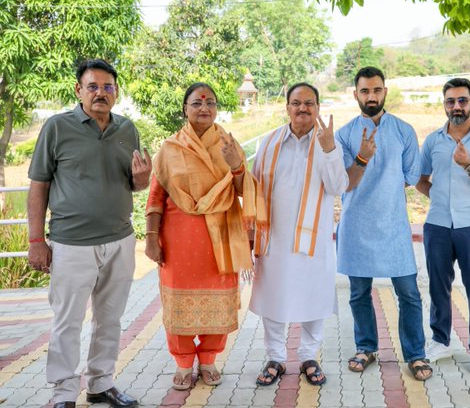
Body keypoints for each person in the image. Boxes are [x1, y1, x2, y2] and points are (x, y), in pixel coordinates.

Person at [27, 59, 151, 408]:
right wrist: (37, 241)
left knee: (110, 318)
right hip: (71, 244)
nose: (101, 93)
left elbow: (134, 183)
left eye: (108, 87)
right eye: (93, 86)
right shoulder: (57, 127)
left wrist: (142, 180)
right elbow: (38, 186)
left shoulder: (128, 130)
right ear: (78, 91)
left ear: (116, 92)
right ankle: (64, 394)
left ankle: (101, 384)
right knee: (67, 321)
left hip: (120, 240)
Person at [145, 83, 261, 390]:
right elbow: (156, 196)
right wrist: (150, 236)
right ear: (185, 108)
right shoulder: (170, 148)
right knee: (177, 303)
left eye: (210, 103)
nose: (204, 108)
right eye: (197, 103)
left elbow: (242, 191)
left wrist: (236, 165)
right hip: (177, 239)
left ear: (217, 109)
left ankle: (208, 360)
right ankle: (183, 364)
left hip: (219, 238)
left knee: (218, 301)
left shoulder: (228, 144)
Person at [336, 66, 432, 381]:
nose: (371, 96)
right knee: (358, 293)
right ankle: (366, 348)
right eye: (365, 91)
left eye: (376, 90)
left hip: (393, 225)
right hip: (356, 226)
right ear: (356, 94)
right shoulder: (344, 134)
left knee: (409, 293)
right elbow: (344, 184)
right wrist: (363, 159)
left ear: (385, 91)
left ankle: (416, 354)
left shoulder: (403, 130)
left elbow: (410, 176)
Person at [250, 82, 348, 387]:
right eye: (296, 102)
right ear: (287, 107)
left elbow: (338, 187)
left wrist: (330, 149)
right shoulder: (267, 143)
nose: (302, 108)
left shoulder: (328, 143)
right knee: (274, 296)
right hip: (274, 237)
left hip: (313, 239)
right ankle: (275, 358)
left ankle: (308, 355)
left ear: (318, 107)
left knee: (313, 294)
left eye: (309, 103)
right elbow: (252, 189)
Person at [416, 78, 470, 374]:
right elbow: (420, 177)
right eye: (450, 101)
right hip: (437, 224)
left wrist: (468, 166)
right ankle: (441, 340)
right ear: (444, 104)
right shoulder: (432, 141)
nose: (456, 106)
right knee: (438, 286)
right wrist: (437, 197)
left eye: (462, 100)